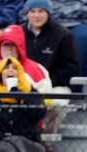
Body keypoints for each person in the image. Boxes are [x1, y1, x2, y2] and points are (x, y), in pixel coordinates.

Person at [22, 0, 78, 143]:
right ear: (27, 13)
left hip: (53, 84)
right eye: (33, 11)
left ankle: (46, 139)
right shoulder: (19, 32)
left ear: (48, 13)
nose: (37, 15)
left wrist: (46, 82)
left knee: (59, 102)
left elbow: (70, 66)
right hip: (23, 84)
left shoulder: (63, 35)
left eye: (41, 11)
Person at [0, 24, 51, 93]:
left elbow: (45, 98)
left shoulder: (36, 69)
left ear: (20, 47)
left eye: (13, 45)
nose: (9, 49)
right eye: (5, 44)